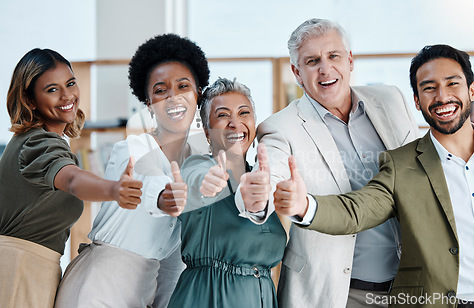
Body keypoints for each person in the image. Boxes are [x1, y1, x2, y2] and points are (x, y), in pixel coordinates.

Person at [274, 44, 474, 307]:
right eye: (429, 88)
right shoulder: (401, 165)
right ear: (417, 101)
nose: (442, 96)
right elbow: (356, 210)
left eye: (452, 84)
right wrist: (305, 206)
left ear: (472, 90)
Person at [238, 18, 420, 307]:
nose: (325, 68)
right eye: (312, 61)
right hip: (336, 292)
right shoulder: (280, 127)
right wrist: (257, 197)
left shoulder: (391, 99)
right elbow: (269, 176)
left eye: (333, 56)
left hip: (409, 286)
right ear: (297, 73)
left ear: (350, 60)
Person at [54, 34, 210, 308]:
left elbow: (173, 258)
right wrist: (166, 197)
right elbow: (151, 184)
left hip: (144, 291)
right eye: (160, 90)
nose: (173, 96)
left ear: (197, 94)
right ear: (149, 103)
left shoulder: (197, 162)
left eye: (183, 86)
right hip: (98, 287)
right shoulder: (132, 149)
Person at [0, 48, 143, 308]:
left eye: (70, 83)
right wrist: (113, 190)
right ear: (29, 99)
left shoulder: (31, 140)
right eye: (52, 89)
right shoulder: (38, 143)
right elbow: (72, 180)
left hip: (26, 269)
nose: (67, 96)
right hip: (21, 271)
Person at [168, 78, 286, 308]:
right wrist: (206, 183)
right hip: (207, 298)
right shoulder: (198, 166)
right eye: (223, 115)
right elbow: (195, 181)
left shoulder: (262, 181)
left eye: (244, 113)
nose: (235, 122)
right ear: (207, 131)